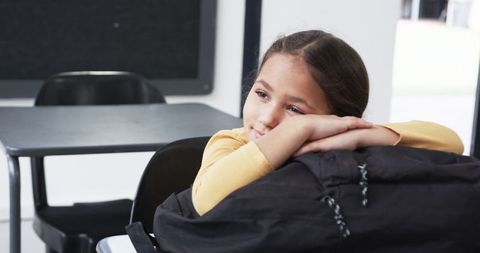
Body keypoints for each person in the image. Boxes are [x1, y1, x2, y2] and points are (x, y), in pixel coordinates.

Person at [191, 30, 464, 216]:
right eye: (262, 94)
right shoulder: (233, 142)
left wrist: (361, 135)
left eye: (295, 109)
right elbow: (207, 201)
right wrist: (299, 126)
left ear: (335, 119)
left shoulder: (347, 144)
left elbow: (452, 143)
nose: (268, 117)